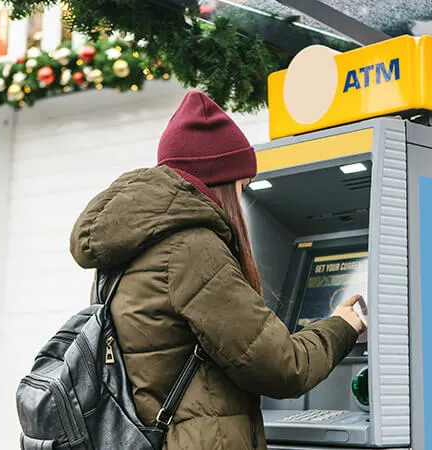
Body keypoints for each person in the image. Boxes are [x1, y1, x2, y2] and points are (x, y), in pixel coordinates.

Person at [69, 91, 367, 449]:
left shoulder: (129, 249)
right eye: (242, 187)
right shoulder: (192, 250)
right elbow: (284, 367)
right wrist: (343, 325)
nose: (243, 200)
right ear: (221, 183)